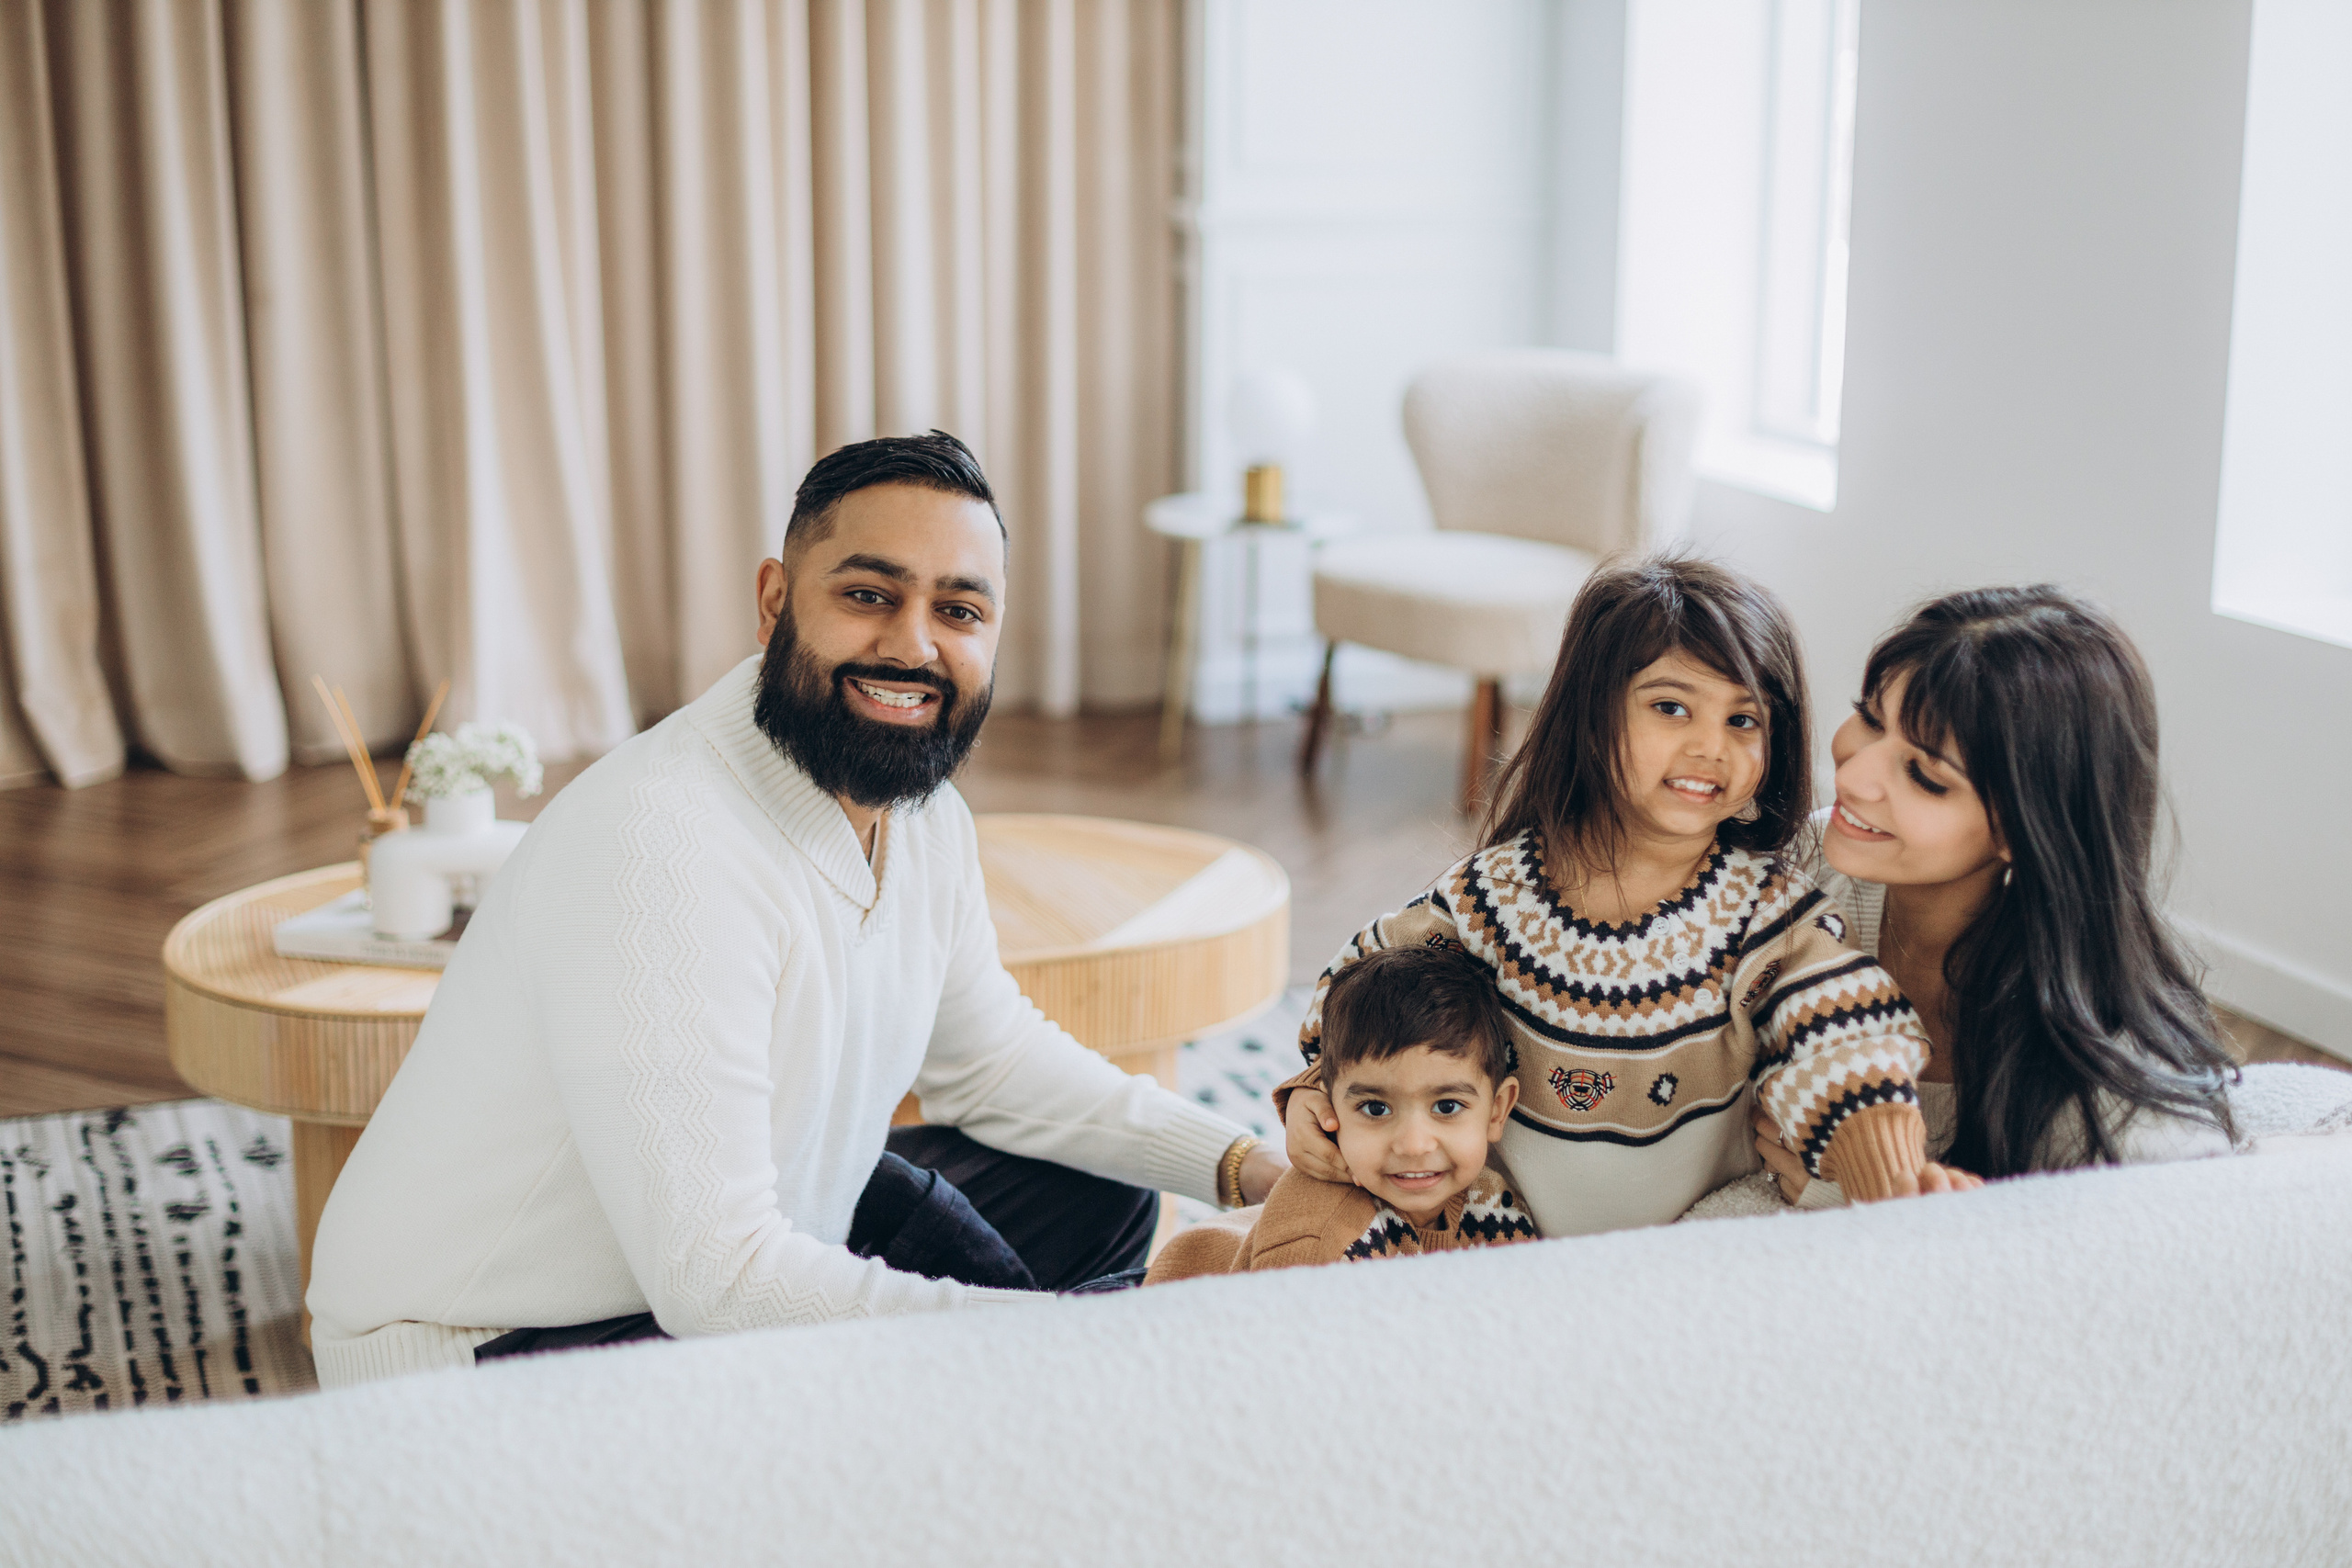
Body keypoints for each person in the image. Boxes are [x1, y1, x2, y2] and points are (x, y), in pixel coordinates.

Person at [308, 431, 1286, 1387]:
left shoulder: (923, 813)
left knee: (1105, 1199)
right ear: (775, 600)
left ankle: (1048, 1390)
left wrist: (1250, 1169)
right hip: (479, 1357)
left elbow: (988, 1061)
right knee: (1043, 1349)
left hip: (752, 1236)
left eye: (958, 610)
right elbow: (720, 1285)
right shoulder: (659, 845)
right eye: (868, 596)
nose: (912, 644)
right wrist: (1064, 1338)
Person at [1276, 555, 1952, 1237]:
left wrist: (1890, 1176)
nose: (1710, 746)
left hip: (1680, 1266)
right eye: (1671, 707)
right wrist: (1311, 1091)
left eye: (1744, 721)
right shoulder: (1492, 895)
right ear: (1591, 714)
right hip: (1493, 1247)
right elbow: (1360, 987)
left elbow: (1845, 1039)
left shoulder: (1767, 916)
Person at [1753, 586, 2235, 1205]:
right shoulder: (1810, 864)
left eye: (1925, 776)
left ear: (2023, 827)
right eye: (1870, 717)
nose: (1850, 775)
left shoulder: (2112, 1081)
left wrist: (1853, 1197)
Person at [1145, 944, 1537, 1282]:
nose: (1415, 1145)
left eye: (1447, 1107)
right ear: (1328, 1109)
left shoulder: (1495, 1204)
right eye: (1376, 1108)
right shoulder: (1318, 1244)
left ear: (1496, 1111)